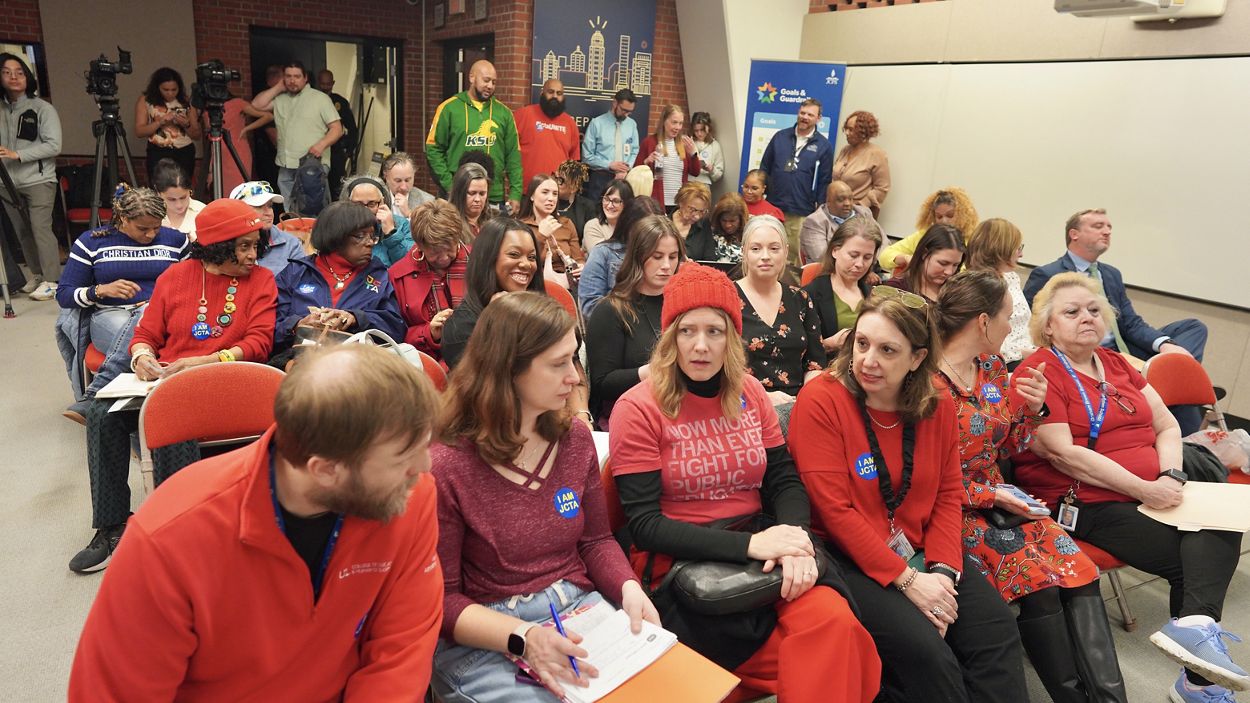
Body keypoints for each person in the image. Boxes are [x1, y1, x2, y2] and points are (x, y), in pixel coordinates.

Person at [69, 343, 444, 701]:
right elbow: (114, 694)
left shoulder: (407, 495)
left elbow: (400, 651)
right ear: (326, 470)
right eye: (402, 458)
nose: (424, 466)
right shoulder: (170, 538)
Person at [608, 263, 881, 702]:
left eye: (714, 331)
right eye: (687, 331)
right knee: (819, 660)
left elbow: (784, 479)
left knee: (838, 626)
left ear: (732, 338)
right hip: (685, 566)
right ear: (670, 338)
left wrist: (794, 541)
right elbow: (645, 526)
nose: (700, 346)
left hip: (765, 550)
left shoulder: (749, 392)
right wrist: (754, 546)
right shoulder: (638, 408)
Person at [1012, 273, 1247, 702]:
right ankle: (1197, 682)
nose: (1087, 317)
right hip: (1086, 500)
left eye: (1093, 309)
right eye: (1072, 312)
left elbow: (1167, 426)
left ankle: (1195, 638)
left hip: (1154, 488)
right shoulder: (1039, 372)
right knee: (1193, 562)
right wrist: (1144, 489)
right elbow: (1064, 454)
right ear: (1047, 326)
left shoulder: (1117, 364)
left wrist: (1171, 475)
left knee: (1221, 525)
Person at [788, 288, 1027, 703]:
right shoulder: (822, 399)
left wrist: (943, 575)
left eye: (887, 350)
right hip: (849, 558)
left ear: (917, 358)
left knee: (996, 631)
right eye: (862, 343)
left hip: (921, 550)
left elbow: (947, 494)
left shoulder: (936, 401)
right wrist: (910, 582)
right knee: (928, 656)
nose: (868, 360)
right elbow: (835, 512)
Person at [432, 291, 658, 702]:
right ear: (508, 369)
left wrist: (628, 588)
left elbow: (595, 540)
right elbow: (440, 601)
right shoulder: (447, 464)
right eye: (558, 364)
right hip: (489, 635)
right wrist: (523, 636)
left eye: (574, 359)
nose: (575, 377)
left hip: (578, 610)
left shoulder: (574, 439)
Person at [934, 270, 1127, 703]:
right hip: (949, 512)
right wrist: (993, 495)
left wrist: (1032, 410)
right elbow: (919, 480)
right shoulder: (926, 380)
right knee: (1037, 582)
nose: (1013, 328)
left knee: (1078, 568)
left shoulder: (989, 367)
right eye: (1007, 317)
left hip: (1001, 502)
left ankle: (1109, 699)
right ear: (983, 322)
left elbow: (1008, 445)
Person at [68, 199, 277, 573]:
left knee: (173, 416)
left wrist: (203, 362)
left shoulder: (261, 280)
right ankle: (113, 526)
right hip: (168, 379)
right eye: (243, 246)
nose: (252, 255)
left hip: (223, 380)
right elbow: (145, 333)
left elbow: (259, 343)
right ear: (217, 247)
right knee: (101, 413)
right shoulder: (175, 276)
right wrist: (141, 357)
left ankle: (178, 533)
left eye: (254, 245)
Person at [55, 185, 188, 418]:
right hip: (110, 314)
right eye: (143, 228)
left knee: (148, 312)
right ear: (124, 219)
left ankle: (97, 397)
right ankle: (156, 417)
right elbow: (64, 295)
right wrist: (100, 290)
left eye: (157, 227)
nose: (151, 235)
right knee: (147, 336)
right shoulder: (92, 242)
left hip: (162, 314)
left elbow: (195, 282)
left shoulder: (176, 240)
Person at [1023, 207, 1207, 364]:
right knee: (1180, 391)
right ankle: (1168, 381)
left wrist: (1165, 344)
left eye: (1109, 227)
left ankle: (1168, 374)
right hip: (1083, 354)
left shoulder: (1112, 274)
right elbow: (1030, 326)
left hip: (1123, 351)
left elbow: (1131, 323)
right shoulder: (1047, 274)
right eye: (1098, 226)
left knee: (1194, 327)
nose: (1107, 232)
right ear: (1074, 234)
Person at [586, 215, 685, 424]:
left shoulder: (683, 304)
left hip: (681, 411)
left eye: (673, 257)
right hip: (631, 417)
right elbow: (602, 383)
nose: (666, 265)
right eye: (657, 256)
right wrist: (655, 371)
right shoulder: (610, 310)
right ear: (638, 256)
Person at [272, 201, 404, 358]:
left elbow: (396, 328)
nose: (370, 243)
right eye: (360, 236)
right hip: (299, 360)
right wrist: (297, 325)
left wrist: (356, 318)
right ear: (335, 237)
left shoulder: (378, 275)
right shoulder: (296, 272)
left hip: (361, 362)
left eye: (372, 236)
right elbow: (270, 329)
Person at [735, 216, 826, 411]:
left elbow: (815, 364)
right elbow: (717, 366)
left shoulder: (800, 299)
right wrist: (763, 397)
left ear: (786, 251)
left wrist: (806, 400)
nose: (765, 256)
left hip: (797, 402)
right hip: (743, 402)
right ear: (744, 252)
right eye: (756, 248)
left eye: (774, 248)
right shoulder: (727, 297)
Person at [440, 217, 545, 368]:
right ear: (488, 259)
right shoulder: (460, 328)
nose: (526, 264)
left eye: (532, 257)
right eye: (514, 254)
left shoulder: (542, 314)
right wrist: (497, 324)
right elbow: (487, 379)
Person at [0, 52, 62, 301]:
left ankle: (52, 280)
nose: (14, 77)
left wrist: (18, 154)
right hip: (6, 182)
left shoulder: (42, 108)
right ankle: (37, 274)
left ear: (28, 77)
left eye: (19, 72)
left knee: (40, 229)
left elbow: (54, 145)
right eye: (7, 72)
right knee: (22, 231)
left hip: (39, 180)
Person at [425, 60, 522, 213]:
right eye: (486, 80)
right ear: (471, 77)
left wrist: (515, 193)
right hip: (456, 195)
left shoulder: (505, 113)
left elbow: (513, 156)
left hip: (493, 196)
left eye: (494, 82)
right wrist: (450, 185)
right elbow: (433, 149)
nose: (490, 86)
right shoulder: (449, 108)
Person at [252, 61, 343, 212]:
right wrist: (278, 87)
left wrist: (321, 145)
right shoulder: (280, 99)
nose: (292, 80)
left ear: (305, 78)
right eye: (288, 76)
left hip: (312, 164)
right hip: (285, 165)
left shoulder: (320, 98)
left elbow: (337, 129)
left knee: (312, 210)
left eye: (297, 76)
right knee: (290, 211)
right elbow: (256, 105)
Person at [389, 200, 470, 362]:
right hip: (425, 362)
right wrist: (429, 332)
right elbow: (395, 336)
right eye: (435, 252)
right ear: (419, 246)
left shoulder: (477, 262)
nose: (444, 258)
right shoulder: (399, 275)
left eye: (450, 249)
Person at [758, 98, 834, 267]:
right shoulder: (780, 137)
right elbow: (765, 167)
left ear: (818, 119)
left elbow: (825, 180)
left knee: (794, 257)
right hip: (773, 206)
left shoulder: (824, 146)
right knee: (768, 250)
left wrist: (820, 207)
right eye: (802, 113)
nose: (805, 117)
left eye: (810, 115)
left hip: (801, 210)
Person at [804, 216, 882, 357]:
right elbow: (795, 350)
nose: (860, 264)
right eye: (853, 255)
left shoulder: (874, 295)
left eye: (867, 257)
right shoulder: (809, 294)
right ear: (835, 251)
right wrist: (829, 344)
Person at [578, 194, 663, 318]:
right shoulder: (603, 253)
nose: (649, 236)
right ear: (629, 225)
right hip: (618, 322)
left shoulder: (665, 254)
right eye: (645, 230)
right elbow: (590, 306)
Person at [965, 218, 1034, 366]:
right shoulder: (980, 285)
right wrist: (1025, 354)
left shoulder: (1012, 277)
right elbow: (984, 339)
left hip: (1024, 356)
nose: (1021, 255)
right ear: (1001, 249)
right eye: (1018, 248)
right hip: (1003, 363)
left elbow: (1022, 328)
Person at [878, 188, 977, 273]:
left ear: (963, 215)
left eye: (950, 215)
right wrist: (905, 258)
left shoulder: (973, 240)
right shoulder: (923, 235)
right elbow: (884, 256)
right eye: (939, 216)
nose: (944, 221)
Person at [135, 67, 201, 186]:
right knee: (159, 186)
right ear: (157, 87)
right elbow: (139, 131)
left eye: (174, 90)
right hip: (158, 149)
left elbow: (197, 135)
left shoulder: (186, 101)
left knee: (183, 186)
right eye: (165, 90)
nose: (170, 93)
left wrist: (186, 124)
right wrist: (160, 122)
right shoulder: (146, 100)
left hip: (184, 150)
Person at [228, 180, 308, 275]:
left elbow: (301, 280)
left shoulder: (291, 243)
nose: (269, 213)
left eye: (270, 206)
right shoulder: (224, 244)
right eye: (259, 206)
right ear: (238, 211)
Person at [635, 104, 700, 211]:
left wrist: (693, 154)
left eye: (680, 123)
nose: (678, 127)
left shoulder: (684, 143)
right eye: (674, 122)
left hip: (679, 204)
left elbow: (695, 172)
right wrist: (646, 161)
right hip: (656, 203)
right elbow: (636, 172)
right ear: (664, 121)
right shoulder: (649, 142)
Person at [515, 79, 580, 186]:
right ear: (542, 93)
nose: (555, 96)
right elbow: (509, 152)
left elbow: (574, 161)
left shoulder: (570, 123)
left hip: (557, 190)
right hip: (526, 189)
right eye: (550, 92)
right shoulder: (523, 115)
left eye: (559, 93)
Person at [339, 174, 413, 267]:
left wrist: (391, 233)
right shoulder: (338, 226)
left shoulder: (402, 225)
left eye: (372, 204)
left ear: (383, 201)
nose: (365, 210)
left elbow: (411, 263)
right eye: (358, 204)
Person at [210, 85, 271, 196]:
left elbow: (267, 116)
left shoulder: (237, 103)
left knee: (240, 188)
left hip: (237, 149)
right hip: (217, 151)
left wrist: (246, 128)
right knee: (221, 189)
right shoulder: (209, 108)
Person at [581, 88, 640, 204]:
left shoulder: (632, 125)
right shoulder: (597, 123)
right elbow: (587, 157)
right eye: (623, 110)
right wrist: (609, 165)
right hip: (601, 178)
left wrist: (626, 168)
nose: (626, 114)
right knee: (597, 211)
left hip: (624, 178)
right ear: (615, 103)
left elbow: (634, 150)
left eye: (629, 112)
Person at [517, 173, 583, 274]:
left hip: (565, 278)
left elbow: (578, 259)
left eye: (555, 194)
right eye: (545, 192)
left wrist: (581, 267)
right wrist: (541, 237)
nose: (551, 198)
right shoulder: (520, 227)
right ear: (532, 196)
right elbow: (523, 261)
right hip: (535, 278)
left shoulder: (566, 223)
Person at [800, 180, 875, 266]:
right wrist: (856, 264)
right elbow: (822, 257)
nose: (847, 203)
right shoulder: (815, 221)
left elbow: (883, 243)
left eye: (850, 199)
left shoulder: (864, 213)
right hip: (829, 270)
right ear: (828, 201)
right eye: (841, 200)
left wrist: (870, 264)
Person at [884, 224, 966, 302]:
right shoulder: (896, 289)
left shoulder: (958, 292)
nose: (949, 272)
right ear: (924, 253)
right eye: (943, 263)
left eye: (956, 265)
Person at [832, 111, 890, 218]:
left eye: (851, 130)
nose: (847, 133)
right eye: (846, 128)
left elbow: (882, 188)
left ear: (864, 132)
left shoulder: (877, 154)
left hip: (859, 214)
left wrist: (860, 205)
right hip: (836, 211)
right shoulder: (845, 150)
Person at [315, 69, 357, 194]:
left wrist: (349, 150)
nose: (325, 87)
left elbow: (352, 128)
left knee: (337, 186)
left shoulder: (340, 102)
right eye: (323, 84)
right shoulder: (311, 101)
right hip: (316, 149)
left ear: (333, 83)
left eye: (328, 84)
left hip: (336, 150)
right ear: (318, 83)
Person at [152, 158, 204, 238]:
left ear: (190, 190)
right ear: (158, 193)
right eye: (171, 199)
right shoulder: (150, 214)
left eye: (183, 197)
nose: (179, 205)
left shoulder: (203, 211)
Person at [380, 151, 436, 219]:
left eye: (407, 180)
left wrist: (409, 214)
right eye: (398, 181)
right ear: (386, 177)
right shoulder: (376, 198)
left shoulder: (427, 202)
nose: (403, 187)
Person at [581, 180, 633, 253]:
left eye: (616, 201)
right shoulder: (593, 226)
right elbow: (601, 256)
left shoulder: (635, 227)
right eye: (606, 199)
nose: (609, 205)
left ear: (627, 204)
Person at [671, 181, 714, 261]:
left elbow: (710, 259)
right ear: (681, 203)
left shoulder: (704, 223)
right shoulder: (665, 223)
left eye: (702, 211)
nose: (697, 216)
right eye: (692, 209)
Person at [554, 159, 597, 238]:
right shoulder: (546, 201)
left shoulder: (588, 207)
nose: (555, 182)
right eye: (555, 177)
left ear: (574, 187)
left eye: (560, 180)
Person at [449, 162, 493, 238]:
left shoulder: (494, 223)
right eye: (472, 193)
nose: (477, 199)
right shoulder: (447, 225)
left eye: (482, 194)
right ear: (459, 193)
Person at [708, 192, 748, 266]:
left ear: (741, 219)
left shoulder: (750, 232)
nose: (727, 225)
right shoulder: (709, 232)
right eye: (724, 220)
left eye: (732, 221)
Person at [689, 111, 724, 187]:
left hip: (704, 184)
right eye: (696, 130)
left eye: (702, 130)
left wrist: (711, 169)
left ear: (708, 128)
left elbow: (718, 174)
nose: (699, 133)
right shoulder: (688, 142)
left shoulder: (715, 145)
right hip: (689, 182)